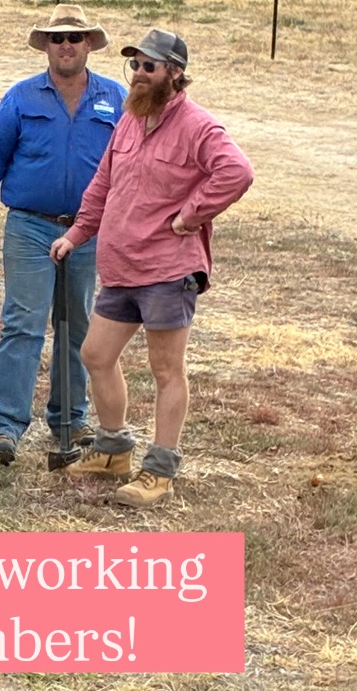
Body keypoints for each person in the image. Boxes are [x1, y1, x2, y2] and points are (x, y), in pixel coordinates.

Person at [49, 29, 253, 508]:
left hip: (167, 269)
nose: (138, 75)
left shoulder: (198, 126)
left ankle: (159, 470)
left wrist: (191, 214)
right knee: (96, 355)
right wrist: (76, 234)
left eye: (149, 67)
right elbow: (103, 183)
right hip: (121, 265)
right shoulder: (129, 120)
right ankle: (113, 450)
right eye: (135, 66)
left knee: (166, 370)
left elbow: (237, 172)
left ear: (174, 73)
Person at [0, 5, 126, 467]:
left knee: (81, 330)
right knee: (23, 325)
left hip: (88, 231)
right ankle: (5, 428)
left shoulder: (116, 97)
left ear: (89, 44)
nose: (66, 46)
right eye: (57, 39)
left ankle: (71, 420)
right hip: (30, 227)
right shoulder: (21, 97)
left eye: (74, 38)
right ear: (46, 47)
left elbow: (134, 167)